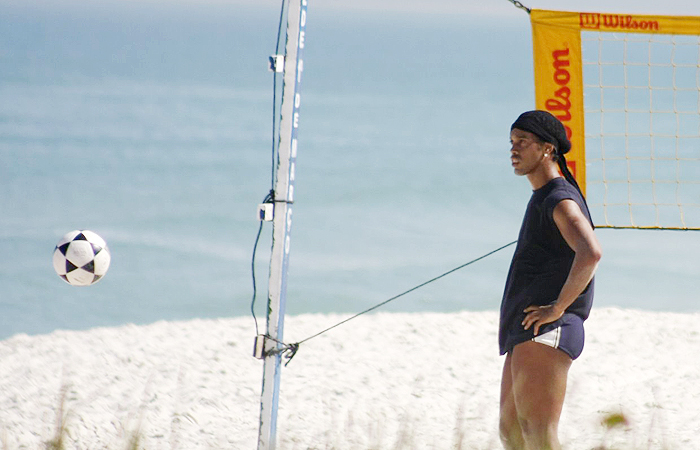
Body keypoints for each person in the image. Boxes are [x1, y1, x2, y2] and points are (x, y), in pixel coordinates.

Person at [498, 110, 603, 450]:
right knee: (512, 431)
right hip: (527, 328)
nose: (514, 150)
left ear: (547, 149)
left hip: (548, 329)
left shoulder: (559, 197)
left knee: (538, 434)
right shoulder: (544, 196)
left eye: (522, 142)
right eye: (512, 142)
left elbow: (591, 252)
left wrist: (558, 307)